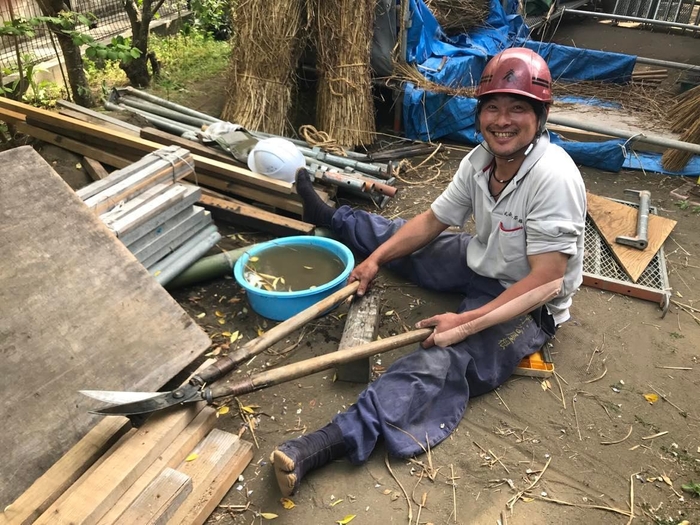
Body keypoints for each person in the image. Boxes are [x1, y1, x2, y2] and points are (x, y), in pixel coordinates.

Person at [270, 47, 587, 497]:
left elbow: (548, 280)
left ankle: (325, 444)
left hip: (526, 301)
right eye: (492, 107)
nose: (502, 120)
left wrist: (466, 322)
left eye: (518, 108)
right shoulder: (479, 161)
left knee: (443, 359)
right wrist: (377, 259)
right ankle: (335, 217)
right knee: (403, 238)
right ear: (479, 115)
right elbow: (432, 221)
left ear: (541, 115)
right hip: (483, 257)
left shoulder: (553, 176)